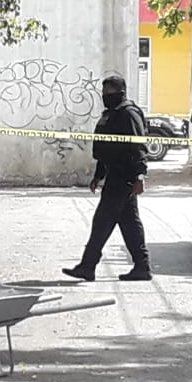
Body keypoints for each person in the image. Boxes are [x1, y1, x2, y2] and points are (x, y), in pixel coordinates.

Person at [62, 75, 152, 282]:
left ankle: (88, 265)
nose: (106, 97)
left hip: (124, 177)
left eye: (110, 93)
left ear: (120, 92)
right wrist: (98, 175)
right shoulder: (111, 115)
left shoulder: (128, 115)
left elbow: (138, 146)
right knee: (129, 223)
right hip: (114, 175)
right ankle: (142, 266)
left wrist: (140, 175)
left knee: (102, 221)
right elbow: (106, 147)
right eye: (104, 94)